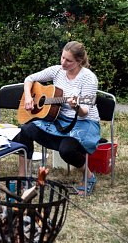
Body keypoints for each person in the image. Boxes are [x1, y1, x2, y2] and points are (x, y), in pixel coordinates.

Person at [15, 41, 100, 195]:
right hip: (59, 120)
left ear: (79, 61)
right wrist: (28, 96)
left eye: (68, 60)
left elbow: (85, 112)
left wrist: (76, 106)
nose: (63, 63)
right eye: (62, 57)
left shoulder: (88, 78)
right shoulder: (57, 71)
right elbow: (29, 79)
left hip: (83, 123)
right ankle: (23, 177)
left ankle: (89, 176)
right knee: (26, 130)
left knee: (66, 150)